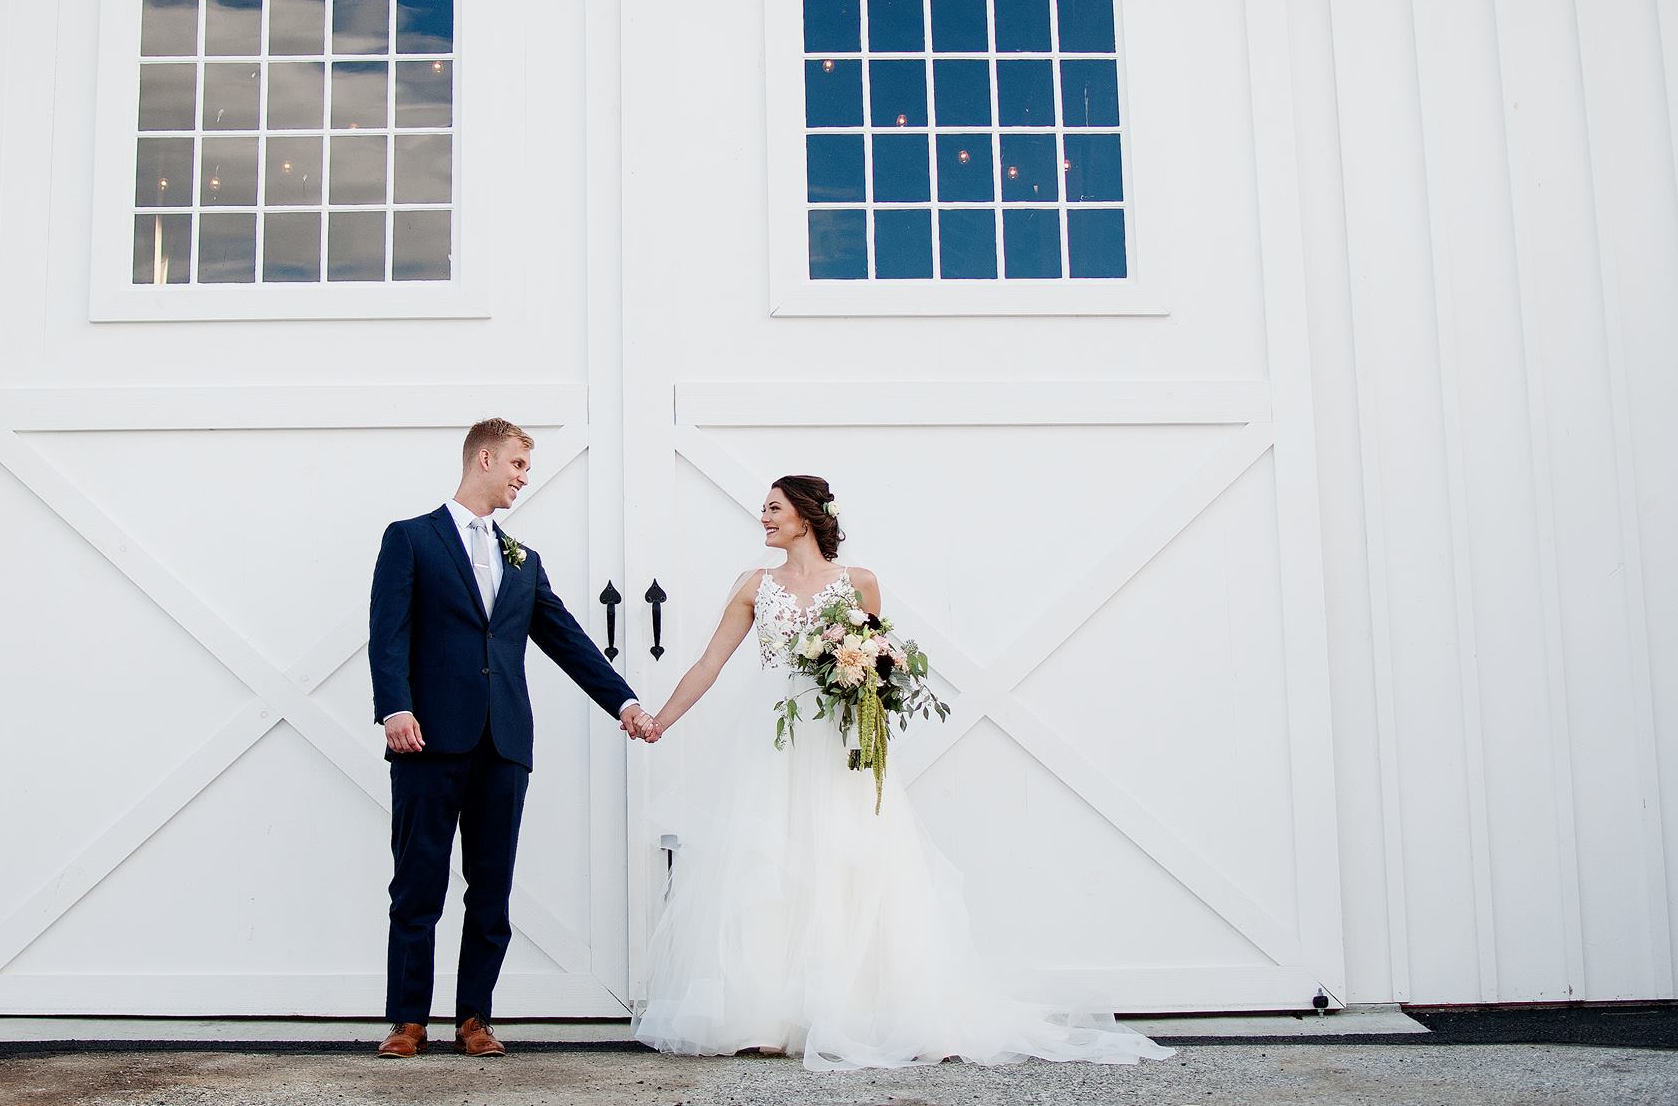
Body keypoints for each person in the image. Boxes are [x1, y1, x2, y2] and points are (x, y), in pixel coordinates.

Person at [633, 474, 1174, 1071]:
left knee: (852, 861)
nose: (763, 518)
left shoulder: (859, 583)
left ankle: (857, 1009)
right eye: (763, 509)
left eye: (773, 509)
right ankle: (764, 1014)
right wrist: (661, 720)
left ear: (806, 517)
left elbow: (876, 664)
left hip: (841, 747)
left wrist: (868, 680)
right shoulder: (754, 586)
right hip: (774, 742)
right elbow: (711, 662)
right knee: (771, 864)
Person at [368, 418, 658, 1059]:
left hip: (504, 744)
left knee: (491, 887)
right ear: (485, 459)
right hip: (426, 740)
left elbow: (567, 639)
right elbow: (387, 633)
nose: (525, 478)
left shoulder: (523, 559)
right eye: (519, 466)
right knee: (417, 883)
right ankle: (408, 1020)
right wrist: (395, 708)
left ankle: (475, 1018)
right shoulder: (410, 539)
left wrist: (626, 701)